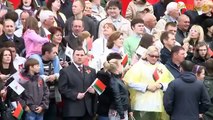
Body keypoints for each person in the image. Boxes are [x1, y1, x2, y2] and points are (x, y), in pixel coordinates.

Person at [124, 46, 174, 120]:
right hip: (141, 105)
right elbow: (129, 82)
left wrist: (160, 85)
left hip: (157, 105)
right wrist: (146, 87)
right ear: (147, 55)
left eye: (156, 56)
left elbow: (171, 83)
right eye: (152, 56)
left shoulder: (161, 67)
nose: (154, 58)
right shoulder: (139, 66)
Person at [58, 47, 97, 120]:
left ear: (85, 56)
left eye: (82, 55)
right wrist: (75, 95)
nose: (79, 57)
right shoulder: (65, 71)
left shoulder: (91, 71)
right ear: (73, 56)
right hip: (72, 111)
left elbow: (97, 88)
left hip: (88, 111)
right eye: (77, 55)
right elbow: (62, 89)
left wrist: (94, 91)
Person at [30, 42, 60, 120]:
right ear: (47, 53)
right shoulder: (35, 62)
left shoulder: (55, 61)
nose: (56, 54)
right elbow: (30, 77)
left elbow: (61, 73)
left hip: (52, 98)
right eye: (54, 52)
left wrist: (55, 76)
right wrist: (46, 78)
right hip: (39, 100)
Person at [102, 53, 130, 120]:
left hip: (123, 110)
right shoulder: (113, 81)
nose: (123, 65)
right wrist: (122, 115)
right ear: (117, 68)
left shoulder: (119, 79)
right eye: (121, 64)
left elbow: (126, 94)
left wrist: (129, 109)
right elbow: (117, 98)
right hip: (116, 112)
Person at [0, 48, 17, 120]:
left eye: (9, 55)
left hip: (11, 103)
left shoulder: (14, 71)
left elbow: (17, 89)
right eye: (5, 55)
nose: (8, 57)